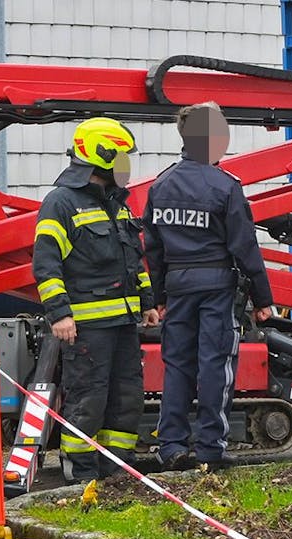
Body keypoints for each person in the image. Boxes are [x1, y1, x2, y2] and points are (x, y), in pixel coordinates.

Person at [143, 102, 272, 472]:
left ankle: (171, 446)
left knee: (177, 365)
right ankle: (210, 447)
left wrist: (160, 297)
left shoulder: (161, 185)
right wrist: (263, 299)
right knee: (214, 365)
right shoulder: (225, 186)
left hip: (178, 288)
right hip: (216, 288)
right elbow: (244, 246)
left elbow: (152, 248)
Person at [33, 117, 157, 483]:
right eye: (121, 159)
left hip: (123, 324)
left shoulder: (117, 205)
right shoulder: (60, 204)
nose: (126, 167)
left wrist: (147, 302)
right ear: (99, 158)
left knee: (126, 401)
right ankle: (81, 476)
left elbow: (134, 259)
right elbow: (46, 264)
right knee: (88, 402)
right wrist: (59, 314)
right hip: (85, 328)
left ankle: (115, 475)